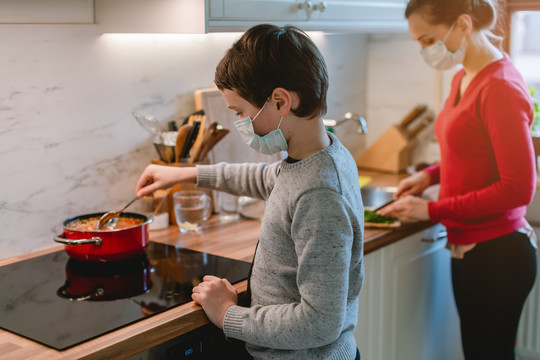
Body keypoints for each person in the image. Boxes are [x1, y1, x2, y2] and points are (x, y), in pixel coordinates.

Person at [136, 24, 364, 360]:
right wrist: (186, 174)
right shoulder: (319, 157)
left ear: (280, 101)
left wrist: (228, 314)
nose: (241, 123)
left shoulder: (320, 194)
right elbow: (267, 179)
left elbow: (320, 322)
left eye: (241, 113)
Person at [378, 1, 537, 358]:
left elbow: (518, 188)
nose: (424, 50)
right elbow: (468, 150)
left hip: (499, 255)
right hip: (470, 247)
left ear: (463, 25)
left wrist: (432, 209)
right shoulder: (464, 76)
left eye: (428, 39)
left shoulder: (500, 87)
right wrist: (428, 176)